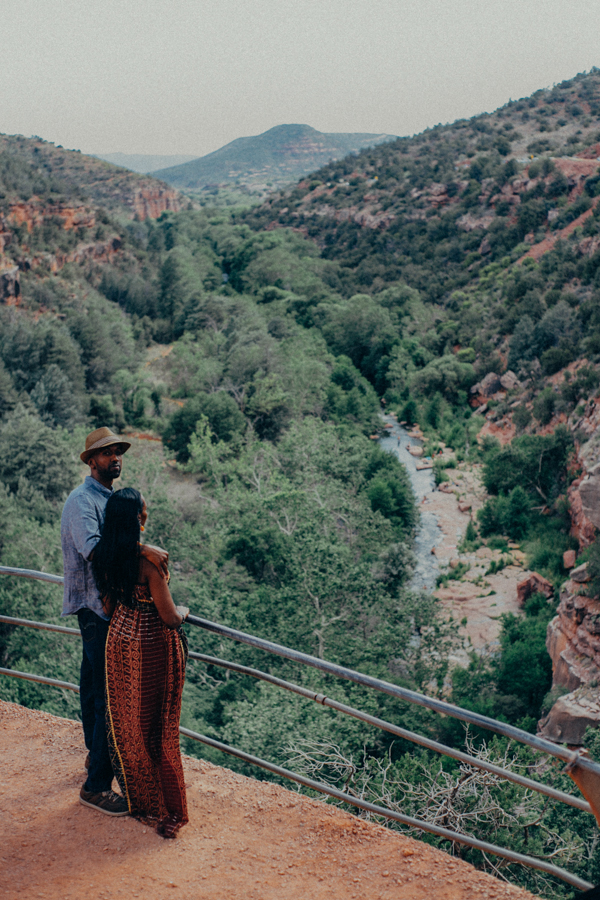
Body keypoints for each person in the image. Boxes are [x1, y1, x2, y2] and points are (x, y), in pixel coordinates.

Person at [61, 427, 168, 816]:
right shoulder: (81, 502)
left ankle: (96, 760)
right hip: (95, 609)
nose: (115, 458)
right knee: (111, 698)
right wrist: (143, 548)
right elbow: (94, 552)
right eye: (106, 454)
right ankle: (96, 786)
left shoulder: (108, 498)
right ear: (91, 461)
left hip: (105, 608)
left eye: (118, 452)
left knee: (93, 689)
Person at [93, 488, 189, 838]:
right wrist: (183, 613)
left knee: (128, 724)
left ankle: (143, 801)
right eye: (144, 511)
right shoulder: (150, 563)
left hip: (118, 642)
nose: (146, 515)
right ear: (137, 518)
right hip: (150, 646)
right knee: (159, 725)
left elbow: (106, 608)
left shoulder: (104, 554)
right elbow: (169, 618)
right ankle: (170, 807)